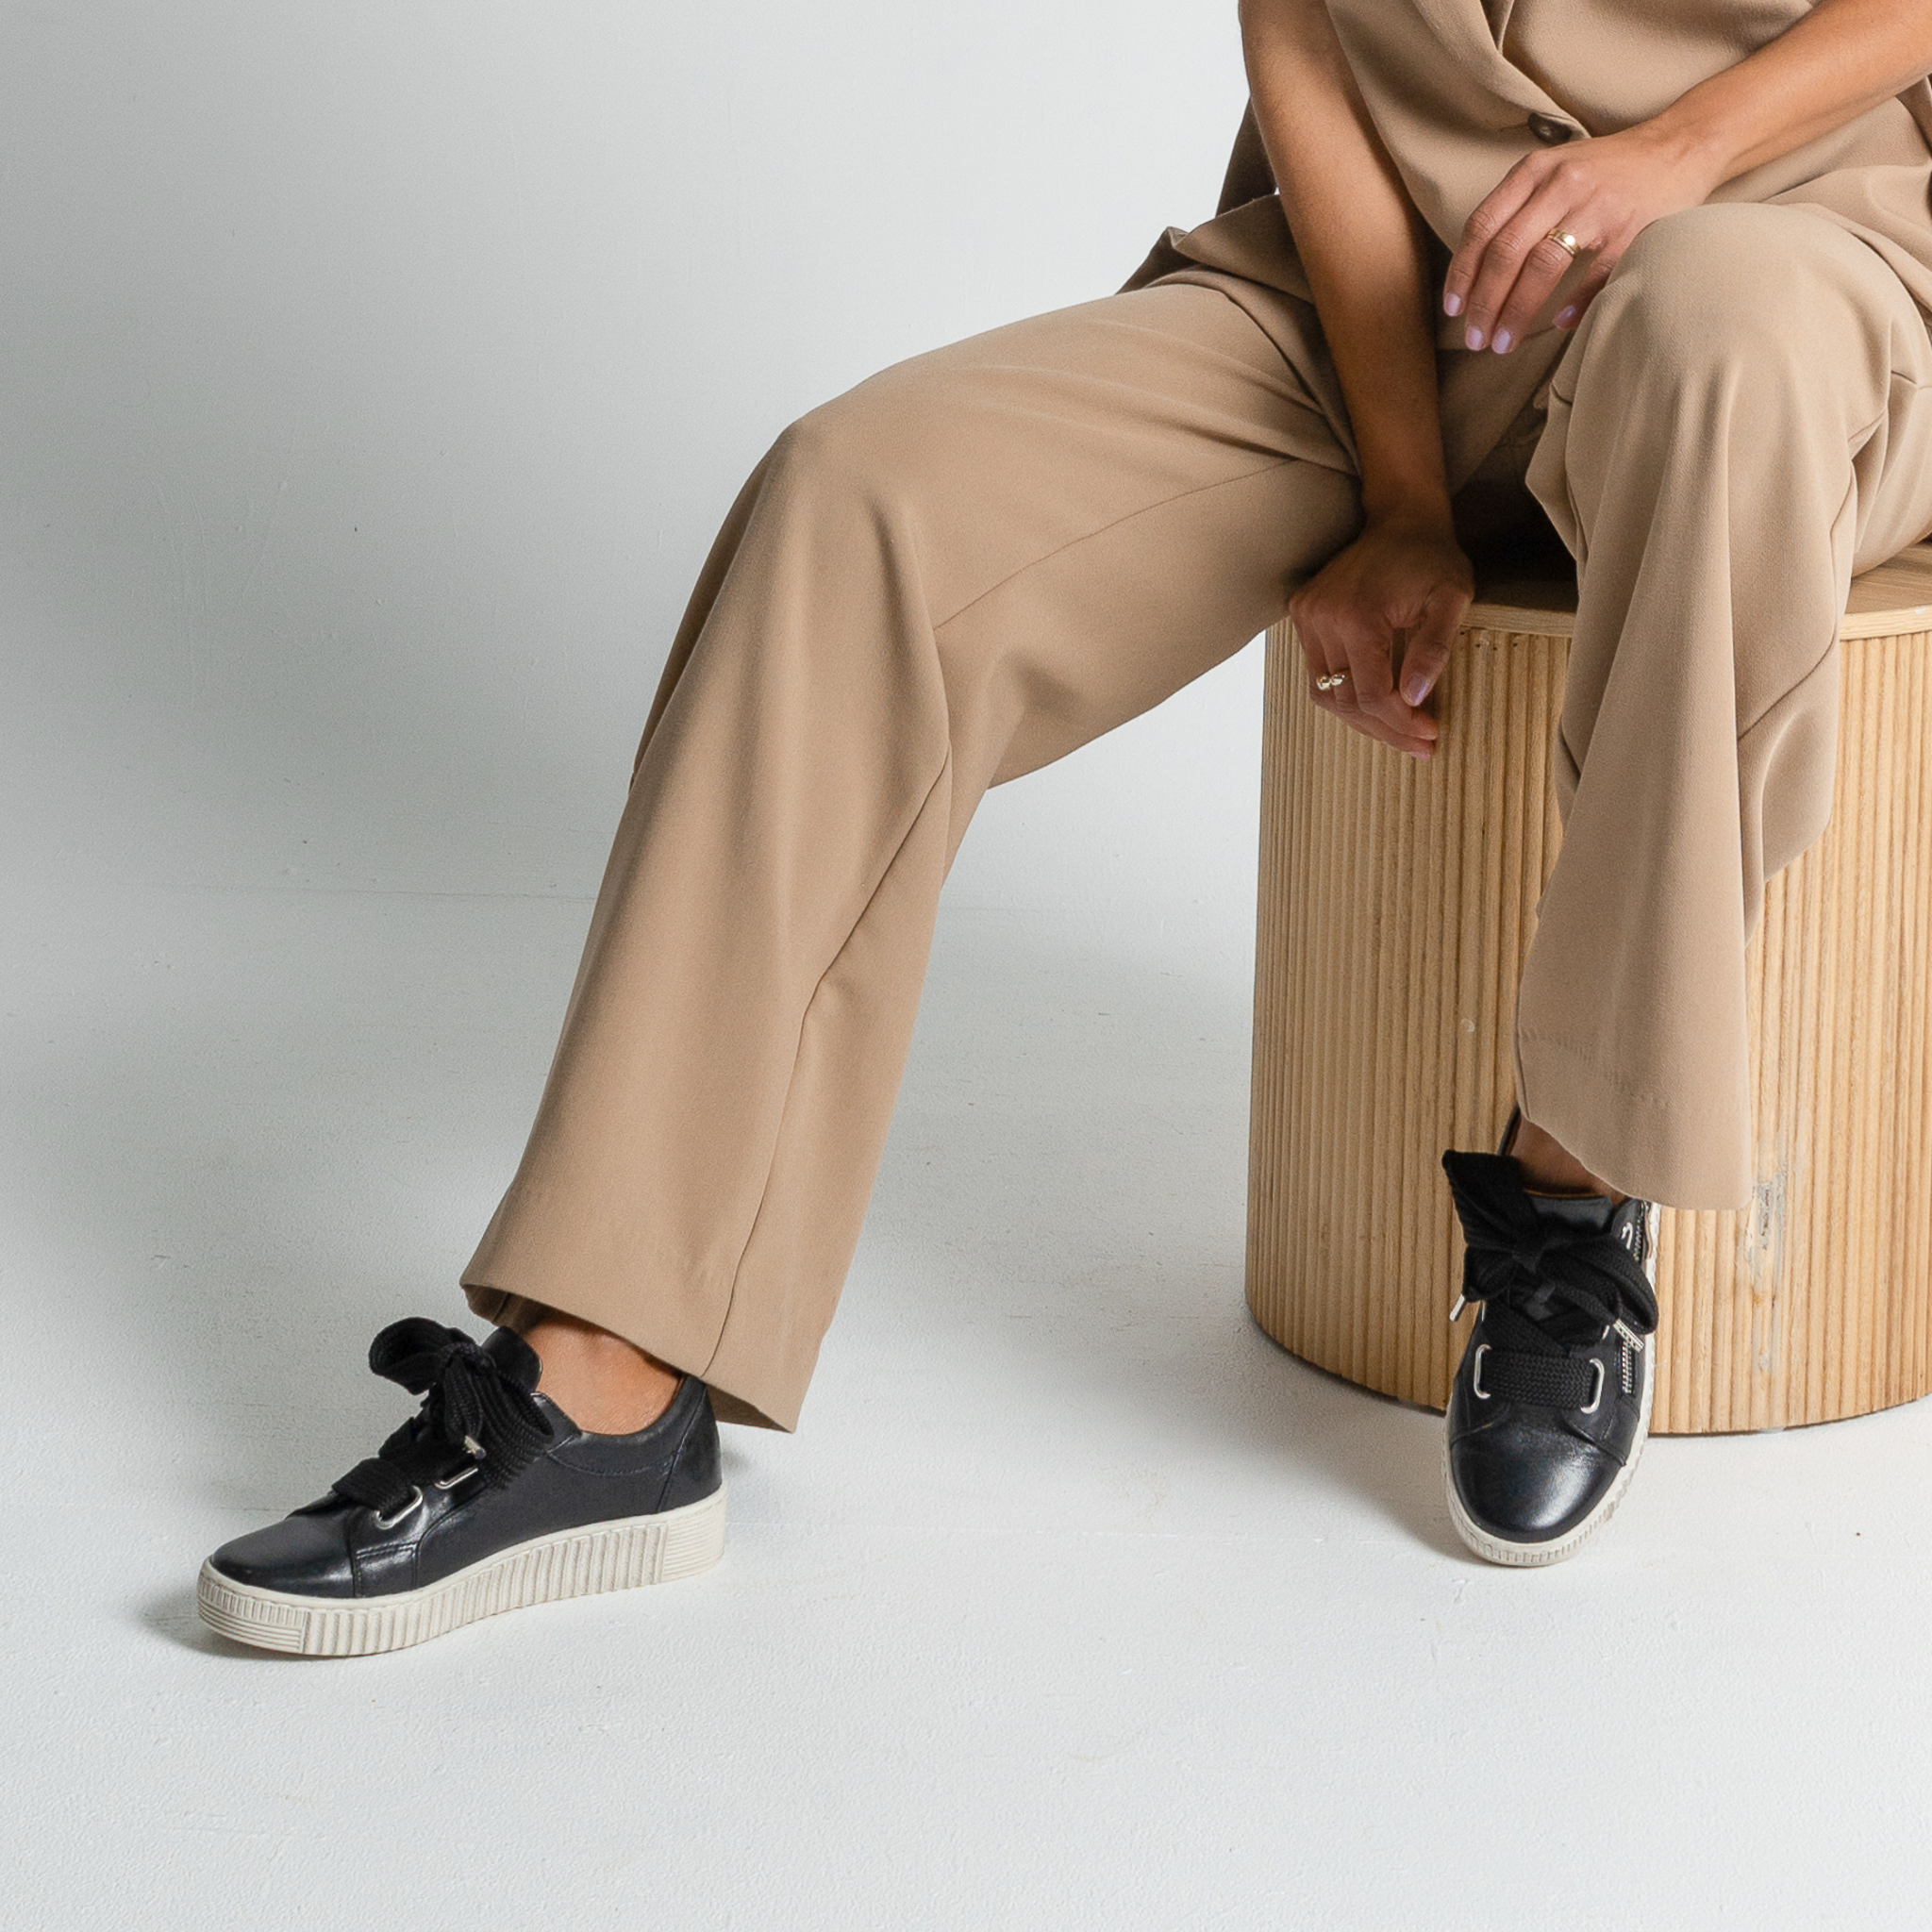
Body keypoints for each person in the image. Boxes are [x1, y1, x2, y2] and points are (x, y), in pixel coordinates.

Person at [195, 0, 1932, 1652]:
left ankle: (1573, 1200)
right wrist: (1404, 496)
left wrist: (1681, 150)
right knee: (863, 503)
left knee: (1710, 334)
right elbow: (1313, 61)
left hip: (1787, 260)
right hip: (1387, 306)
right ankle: (609, 1372)